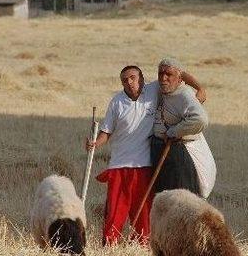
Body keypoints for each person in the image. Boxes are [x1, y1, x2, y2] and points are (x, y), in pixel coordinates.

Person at [87, 65, 205, 246]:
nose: (129, 82)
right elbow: (107, 131)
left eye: (133, 77)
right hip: (119, 166)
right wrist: (95, 143)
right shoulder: (116, 102)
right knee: (114, 213)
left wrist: (199, 88)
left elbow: (179, 73)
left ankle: (142, 248)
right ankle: (109, 247)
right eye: (125, 80)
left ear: (142, 78)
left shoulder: (153, 89)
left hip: (144, 166)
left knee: (144, 214)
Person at [151, 57, 216, 198]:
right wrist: (199, 87)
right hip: (160, 150)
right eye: (160, 74)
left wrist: (174, 131)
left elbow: (200, 119)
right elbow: (181, 73)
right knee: (163, 198)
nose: (163, 78)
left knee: (182, 198)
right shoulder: (159, 87)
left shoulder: (184, 94)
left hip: (179, 153)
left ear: (179, 79)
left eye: (168, 75)